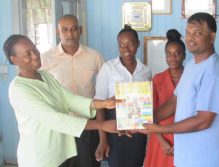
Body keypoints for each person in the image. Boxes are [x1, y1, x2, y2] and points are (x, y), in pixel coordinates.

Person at [3, 34, 118, 167]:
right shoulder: (19, 89)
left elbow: (68, 99)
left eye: (34, 49)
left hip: (60, 151)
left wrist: (104, 103)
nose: (35, 55)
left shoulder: (44, 75)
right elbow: (54, 119)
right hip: (41, 156)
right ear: (15, 60)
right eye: (28, 54)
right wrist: (101, 125)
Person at [143, 12, 219, 167]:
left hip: (204, 161)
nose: (190, 38)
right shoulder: (191, 65)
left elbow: (203, 121)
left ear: (212, 37)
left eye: (197, 33)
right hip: (186, 159)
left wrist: (159, 129)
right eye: (188, 32)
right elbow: (174, 100)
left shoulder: (214, 72)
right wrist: (143, 120)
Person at [41, 14, 104, 167]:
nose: (70, 34)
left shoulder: (94, 56)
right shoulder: (46, 59)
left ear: (80, 30)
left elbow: (104, 86)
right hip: (60, 125)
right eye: (65, 30)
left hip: (87, 124)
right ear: (58, 32)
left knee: (88, 163)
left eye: (74, 29)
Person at [94, 25, 151, 167]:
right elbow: (99, 104)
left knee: (136, 163)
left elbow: (147, 102)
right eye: (121, 44)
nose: (126, 49)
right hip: (114, 130)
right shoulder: (108, 68)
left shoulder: (145, 71)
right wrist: (103, 139)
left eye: (131, 44)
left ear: (138, 44)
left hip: (138, 131)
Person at [144, 29, 185, 167]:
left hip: (185, 134)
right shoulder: (158, 79)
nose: (172, 58)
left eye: (177, 54)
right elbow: (150, 114)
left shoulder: (191, 78)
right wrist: (162, 141)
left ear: (184, 55)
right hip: (160, 137)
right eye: (169, 54)